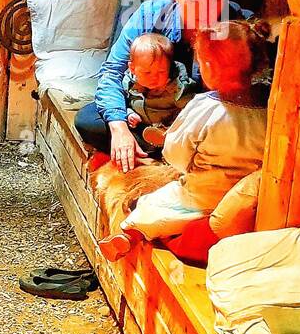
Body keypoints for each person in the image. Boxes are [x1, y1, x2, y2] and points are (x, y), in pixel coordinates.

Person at [98, 20, 270, 260]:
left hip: (201, 195)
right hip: (244, 198)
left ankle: (129, 235)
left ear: (209, 66)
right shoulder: (268, 108)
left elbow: (175, 154)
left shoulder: (204, 106)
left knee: (153, 207)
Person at [76, 0, 252, 171]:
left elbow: (245, 90)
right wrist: (120, 129)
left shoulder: (236, 24)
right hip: (149, 113)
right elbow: (112, 71)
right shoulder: (150, 14)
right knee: (88, 120)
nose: (205, 8)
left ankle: (161, 152)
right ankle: (164, 152)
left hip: (202, 119)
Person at [121, 33, 196, 150]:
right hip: (140, 126)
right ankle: (148, 146)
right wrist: (129, 113)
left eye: (161, 72)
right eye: (147, 73)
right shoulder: (129, 82)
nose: (154, 78)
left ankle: (163, 143)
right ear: (132, 68)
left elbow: (191, 108)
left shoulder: (176, 87)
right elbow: (124, 101)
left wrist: (173, 88)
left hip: (167, 128)